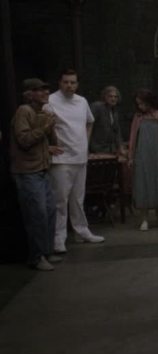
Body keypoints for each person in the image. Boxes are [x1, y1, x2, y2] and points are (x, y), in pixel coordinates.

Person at [45, 68, 105, 252]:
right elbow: (43, 126)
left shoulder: (82, 101)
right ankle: (58, 237)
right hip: (61, 158)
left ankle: (82, 231)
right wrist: (49, 145)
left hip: (80, 157)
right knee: (60, 200)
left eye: (72, 82)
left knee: (78, 199)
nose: (69, 85)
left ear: (77, 84)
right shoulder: (50, 101)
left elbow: (90, 121)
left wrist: (85, 142)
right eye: (66, 82)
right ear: (59, 83)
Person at [10, 78, 63, 270]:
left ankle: (46, 252)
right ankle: (36, 257)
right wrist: (45, 128)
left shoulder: (41, 113)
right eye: (39, 90)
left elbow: (47, 141)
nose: (45, 93)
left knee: (49, 211)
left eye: (46, 89)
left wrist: (50, 128)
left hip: (42, 170)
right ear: (29, 94)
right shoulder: (24, 111)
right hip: (27, 172)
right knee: (37, 214)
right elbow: (24, 140)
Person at [128, 89, 158, 231]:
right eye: (138, 104)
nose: (140, 106)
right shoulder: (138, 117)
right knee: (143, 185)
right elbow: (133, 138)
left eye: (142, 103)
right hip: (142, 155)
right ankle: (144, 218)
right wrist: (131, 156)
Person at [89, 85, 123, 154]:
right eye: (110, 96)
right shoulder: (97, 107)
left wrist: (120, 147)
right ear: (105, 97)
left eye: (115, 97)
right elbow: (88, 125)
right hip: (95, 148)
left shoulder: (114, 111)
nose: (113, 99)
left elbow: (117, 131)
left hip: (109, 149)